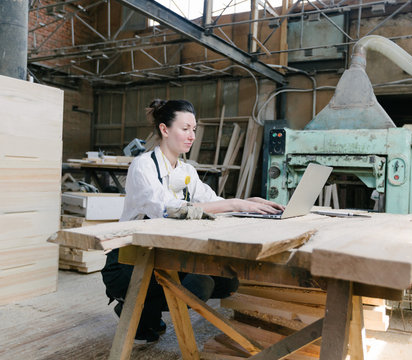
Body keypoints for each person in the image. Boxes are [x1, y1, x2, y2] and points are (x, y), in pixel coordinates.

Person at [101, 99, 284, 344]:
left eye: (194, 129)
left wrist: (247, 202)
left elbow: (214, 203)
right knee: (200, 286)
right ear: (165, 130)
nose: (192, 136)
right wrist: (234, 203)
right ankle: (135, 306)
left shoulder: (187, 171)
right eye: (185, 129)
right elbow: (165, 209)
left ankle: (144, 310)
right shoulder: (143, 165)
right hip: (127, 262)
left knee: (226, 282)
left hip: (165, 255)